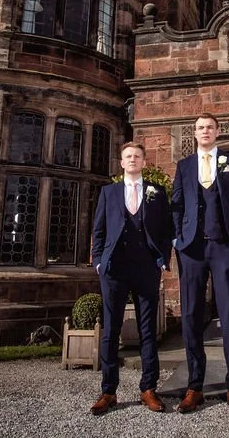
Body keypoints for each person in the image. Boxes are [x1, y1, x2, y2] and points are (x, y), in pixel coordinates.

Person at [171, 113, 229, 415]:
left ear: (218, 131)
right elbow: (176, 204)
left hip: (224, 247)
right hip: (191, 248)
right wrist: (177, 239)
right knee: (191, 315)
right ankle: (195, 387)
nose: (205, 131)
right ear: (194, 133)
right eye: (200, 128)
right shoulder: (184, 166)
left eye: (209, 127)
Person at [90, 142, 172, 416]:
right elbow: (98, 230)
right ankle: (108, 391)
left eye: (137, 156)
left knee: (148, 330)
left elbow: (165, 230)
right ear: (122, 162)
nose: (133, 159)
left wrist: (162, 259)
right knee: (111, 331)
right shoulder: (108, 192)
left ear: (144, 161)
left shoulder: (156, 192)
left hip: (146, 267)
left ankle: (148, 388)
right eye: (128, 156)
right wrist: (99, 261)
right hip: (113, 269)